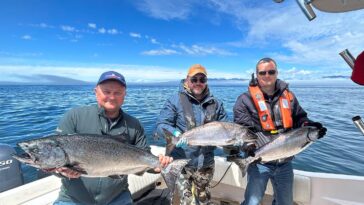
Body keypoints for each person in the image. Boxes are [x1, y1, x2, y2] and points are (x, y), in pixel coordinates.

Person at [52, 71, 173, 205]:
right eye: (106, 91)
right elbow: (55, 159)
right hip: (73, 199)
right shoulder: (74, 117)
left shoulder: (134, 124)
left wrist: (158, 165)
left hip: (117, 198)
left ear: (124, 95)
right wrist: (61, 172)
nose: (112, 97)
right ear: (96, 92)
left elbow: (144, 157)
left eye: (117, 93)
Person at [233, 58, 327, 205]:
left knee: (285, 202)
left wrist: (310, 126)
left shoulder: (289, 96)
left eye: (271, 71)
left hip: (285, 162)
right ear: (256, 75)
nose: (267, 75)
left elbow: (300, 118)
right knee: (252, 201)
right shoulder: (244, 100)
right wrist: (249, 148)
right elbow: (242, 129)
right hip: (259, 161)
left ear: (277, 73)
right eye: (262, 72)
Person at [155, 64, 228, 205]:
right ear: (187, 80)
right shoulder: (174, 100)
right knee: (186, 201)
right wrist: (175, 133)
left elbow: (225, 126)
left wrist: (233, 141)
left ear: (206, 81)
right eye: (194, 79)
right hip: (181, 162)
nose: (198, 83)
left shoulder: (216, 103)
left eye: (202, 79)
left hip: (205, 163)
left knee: (204, 198)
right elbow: (160, 125)